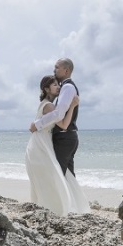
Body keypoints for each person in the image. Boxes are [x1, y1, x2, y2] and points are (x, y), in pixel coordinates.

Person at [24, 75, 90, 215]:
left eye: (58, 84)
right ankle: (58, 208)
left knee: (50, 176)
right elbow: (64, 124)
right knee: (53, 175)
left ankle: (50, 206)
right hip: (41, 145)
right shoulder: (49, 105)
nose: (58, 86)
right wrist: (72, 106)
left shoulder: (47, 104)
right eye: (54, 85)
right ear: (47, 89)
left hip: (41, 142)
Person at [29, 58, 80, 176]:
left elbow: (58, 114)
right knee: (67, 177)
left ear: (66, 71)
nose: (54, 70)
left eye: (57, 67)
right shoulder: (66, 88)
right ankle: (71, 195)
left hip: (64, 137)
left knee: (60, 176)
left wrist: (37, 124)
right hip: (67, 136)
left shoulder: (67, 87)